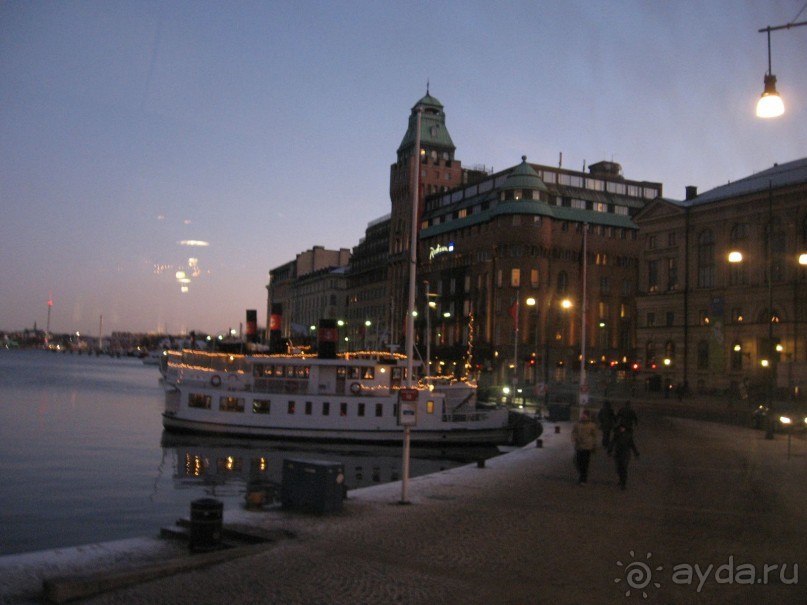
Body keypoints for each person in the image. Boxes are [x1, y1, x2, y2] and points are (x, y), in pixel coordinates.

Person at [608, 422, 640, 490]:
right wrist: (609, 450)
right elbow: (612, 442)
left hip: (626, 454)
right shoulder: (617, 435)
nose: (621, 429)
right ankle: (621, 479)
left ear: (625, 428)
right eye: (620, 427)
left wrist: (636, 453)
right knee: (619, 468)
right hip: (618, 454)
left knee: (624, 468)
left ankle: (623, 483)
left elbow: (632, 445)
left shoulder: (628, 436)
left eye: (623, 427)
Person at [571, 410, 597, 485]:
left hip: (587, 446)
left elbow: (594, 436)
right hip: (579, 446)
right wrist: (574, 438)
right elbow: (573, 432)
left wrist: (594, 446)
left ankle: (583, 479)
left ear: (588, 416)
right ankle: (582, 475)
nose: (583, 417)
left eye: (585, 415)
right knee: (577, 461)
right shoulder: (577, 424)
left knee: (585, 463)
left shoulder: (592, 425)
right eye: (583, 415)